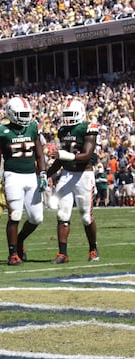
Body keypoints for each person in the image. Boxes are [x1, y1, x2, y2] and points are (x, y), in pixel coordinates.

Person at [0, 96, 46, 266]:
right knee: (15, 216)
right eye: (21, 113)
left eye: (26, 113)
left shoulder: (33, 127)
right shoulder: (1, 131)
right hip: (13, 176)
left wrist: (43, 173)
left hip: (31, 176)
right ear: (11, 113)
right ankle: (12, 253)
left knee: (37, 218)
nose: (25, 117)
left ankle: (20, 240)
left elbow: (40, 153)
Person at [45, 98, 100, 263]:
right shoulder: (63, 131)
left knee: (86, 217)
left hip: (84, 175)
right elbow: (61, 160)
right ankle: (62, 253)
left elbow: (86, 156)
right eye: (66, 114)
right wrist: (46, 173)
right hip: (67, 174)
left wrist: (63, 155)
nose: (68, 117)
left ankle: (93, 249)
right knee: (62, 214)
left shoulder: (88, 128)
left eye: (71, 114)